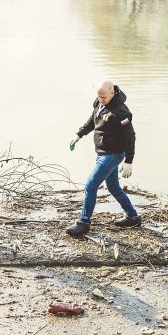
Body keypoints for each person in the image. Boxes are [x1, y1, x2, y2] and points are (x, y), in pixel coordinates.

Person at [67, 80, 141, 236]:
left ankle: (84, 223)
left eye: (104, 98)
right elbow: (92, 121)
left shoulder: (121, 112)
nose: (101, 100)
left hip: (113, 155)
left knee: (90, 185)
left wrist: (129, 161)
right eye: (99, 97)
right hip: (102, 153)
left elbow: (130, 136)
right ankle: (133, 216)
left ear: (112, 93)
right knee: (113, 188)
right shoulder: (99, 103)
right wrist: (78, 134)